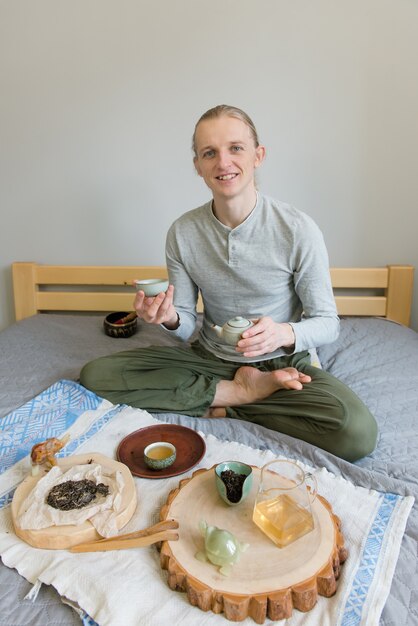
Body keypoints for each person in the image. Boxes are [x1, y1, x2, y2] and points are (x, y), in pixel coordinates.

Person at [80, 104, 377, 462]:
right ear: (198, 166)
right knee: (95, 376)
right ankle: (237, 393)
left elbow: (328, 324)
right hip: (210, 359)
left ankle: (227, 400)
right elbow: (187, 324)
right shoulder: (183, 232)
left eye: (235, 148)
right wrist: (168, 317)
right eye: (210, 153)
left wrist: (283, 333)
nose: (223, 162)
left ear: (258, 156)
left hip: (283, 364)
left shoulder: (298, 229)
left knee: (357, 433)